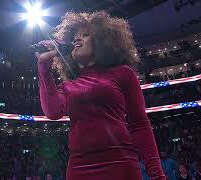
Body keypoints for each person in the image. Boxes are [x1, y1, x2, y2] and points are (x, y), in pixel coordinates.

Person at [36, 11, 165, 179]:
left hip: (120, 165)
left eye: (85, 34)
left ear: (101, 41)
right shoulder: (68, 86)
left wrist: (156, 175)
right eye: (74, 36)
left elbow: (139, 125)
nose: (77, 39)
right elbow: (52, 112)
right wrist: (44, 66)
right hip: (79, 168)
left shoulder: (122, 73)